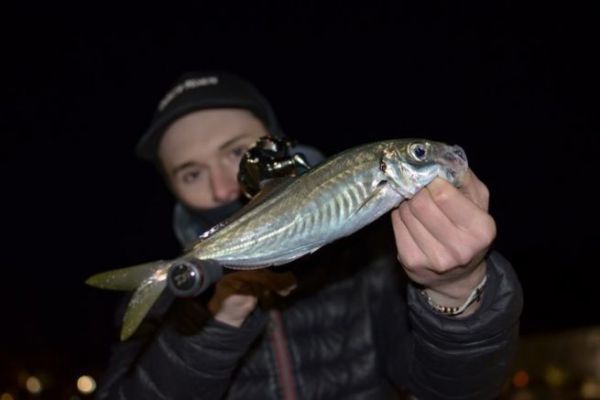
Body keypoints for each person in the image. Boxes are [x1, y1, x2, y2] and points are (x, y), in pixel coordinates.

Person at [95, 71, 523, 400]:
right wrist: (218, 320)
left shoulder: (370, 262)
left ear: (277, 146)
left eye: (236, 151)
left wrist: (457, 291)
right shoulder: (170, 301)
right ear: (173, 191)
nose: (223, 187)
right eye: (191, 173)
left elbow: (458, 391)